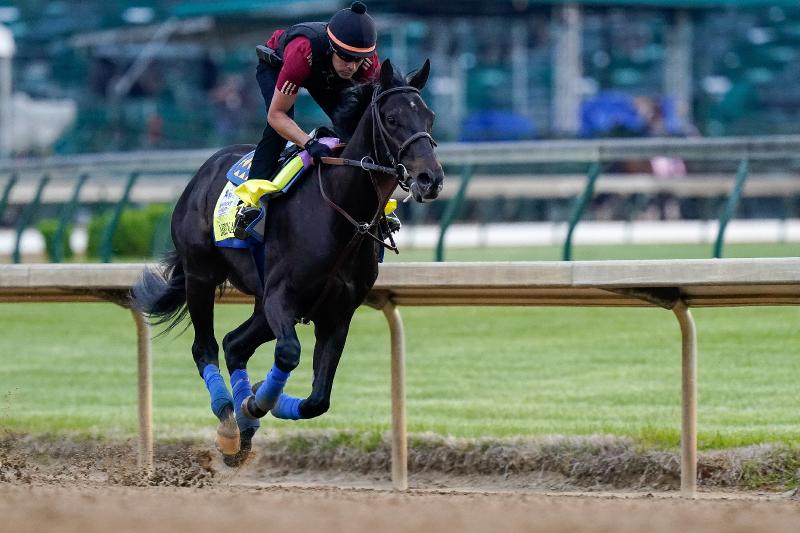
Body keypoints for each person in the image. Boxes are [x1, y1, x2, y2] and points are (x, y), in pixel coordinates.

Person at [236, 1, 397, 236]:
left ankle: (377, 207)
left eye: (357, 59)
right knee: (278, 131)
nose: (351, 66)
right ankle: (249, 205)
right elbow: (276, 115)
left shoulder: (366, 64)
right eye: (345, 57)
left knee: (355, 128)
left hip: (324, 72)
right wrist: (309, 144)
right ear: (332, 47)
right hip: (279, 65)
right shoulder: (303, 51)